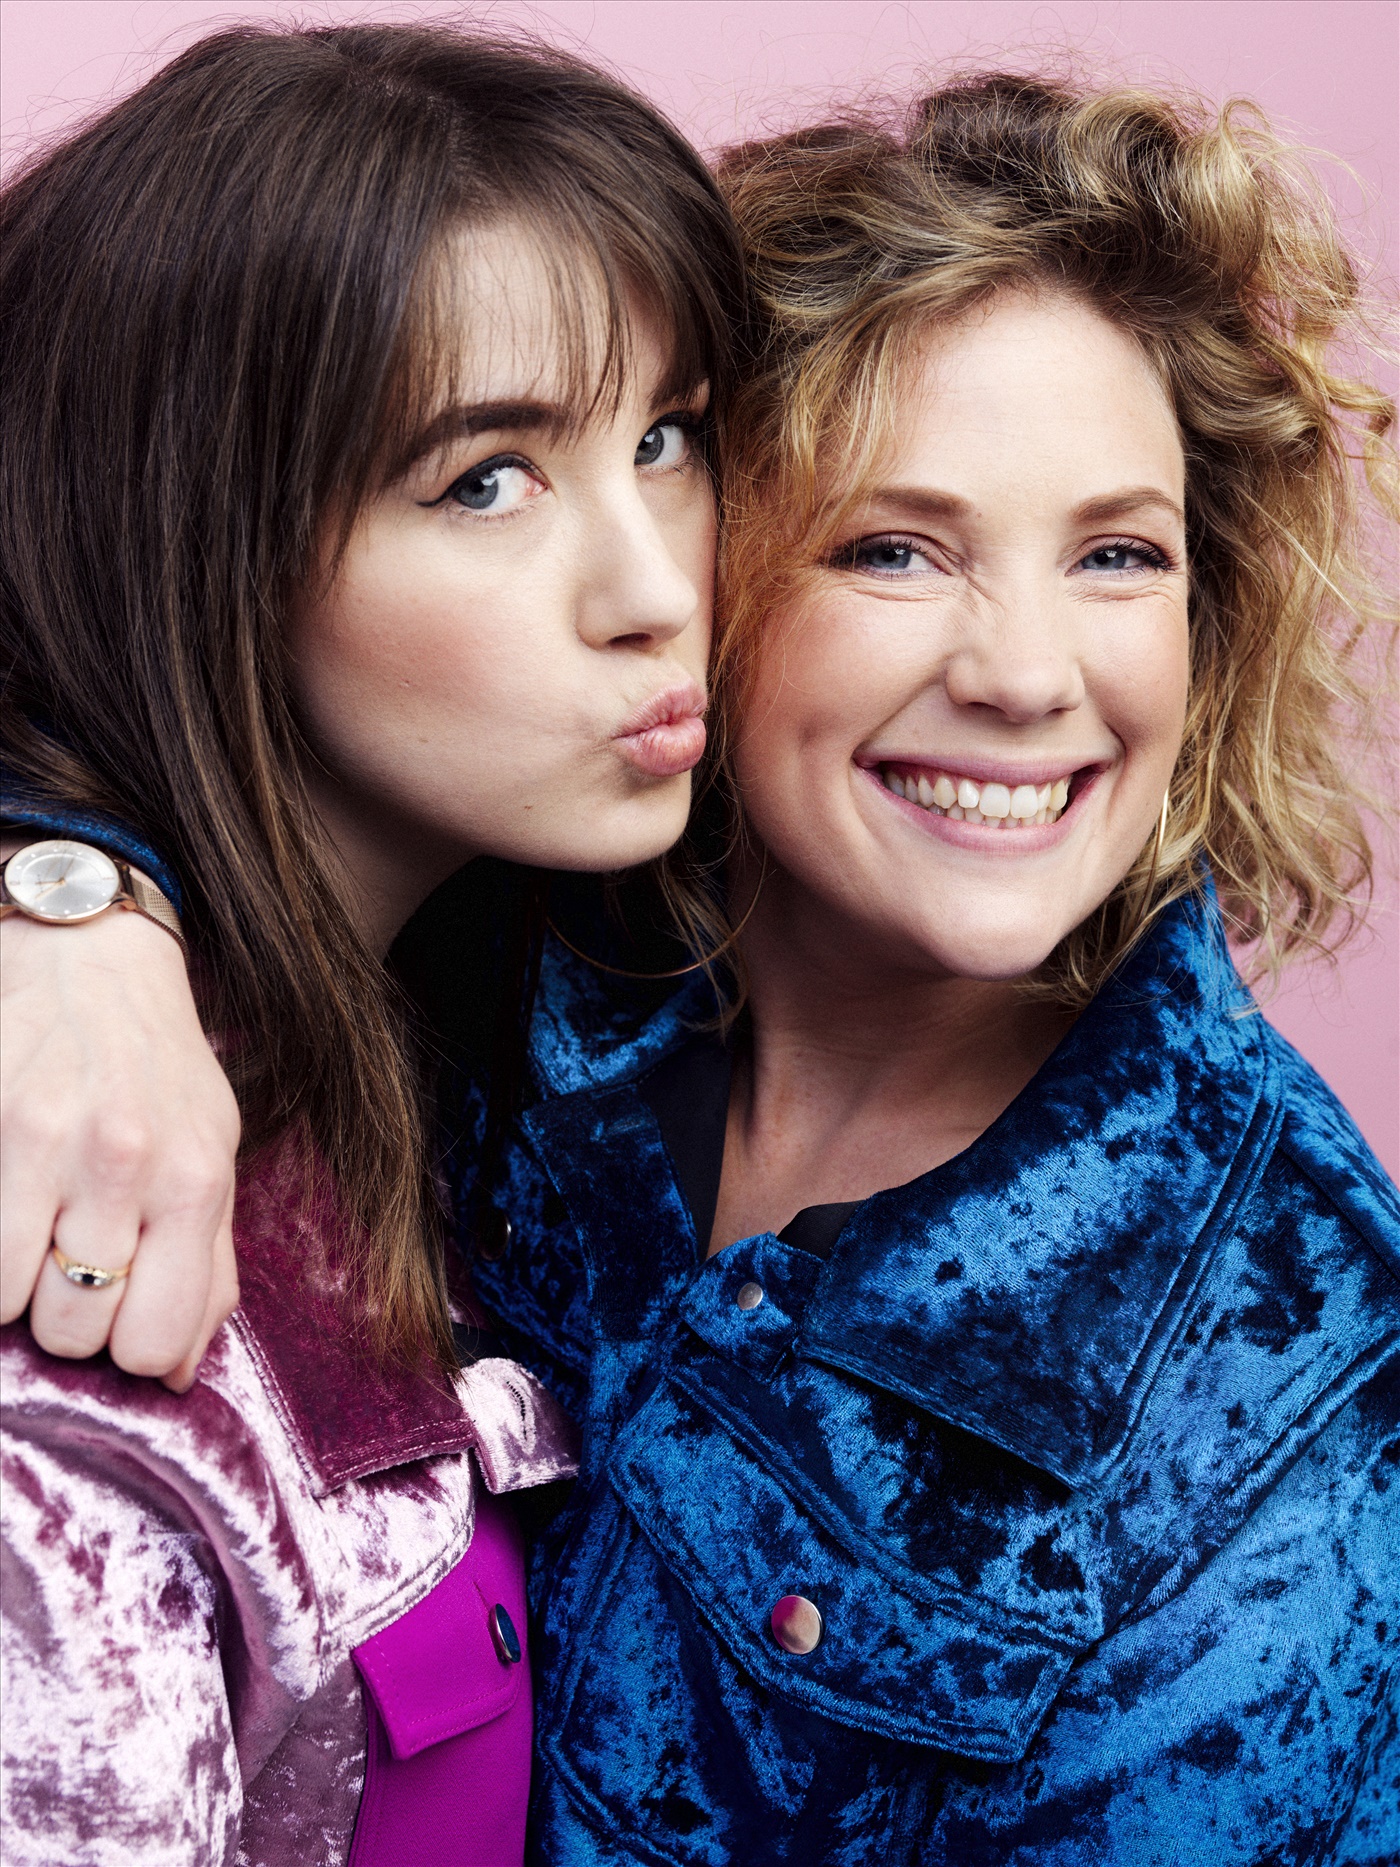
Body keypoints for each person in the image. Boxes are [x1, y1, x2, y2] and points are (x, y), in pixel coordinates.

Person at [5, 65, 1398, 1867]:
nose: (1029, 674)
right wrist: (72, 897)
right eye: (893, 548)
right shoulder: (520, 924)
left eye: (1120, 555)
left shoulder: (1295, 1387)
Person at [0, 19, 745, 1865]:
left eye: (667, 439)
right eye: (486, 478)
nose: (657, 589)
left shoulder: (545, 998)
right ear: (204, 541)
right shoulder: (91, 1255)